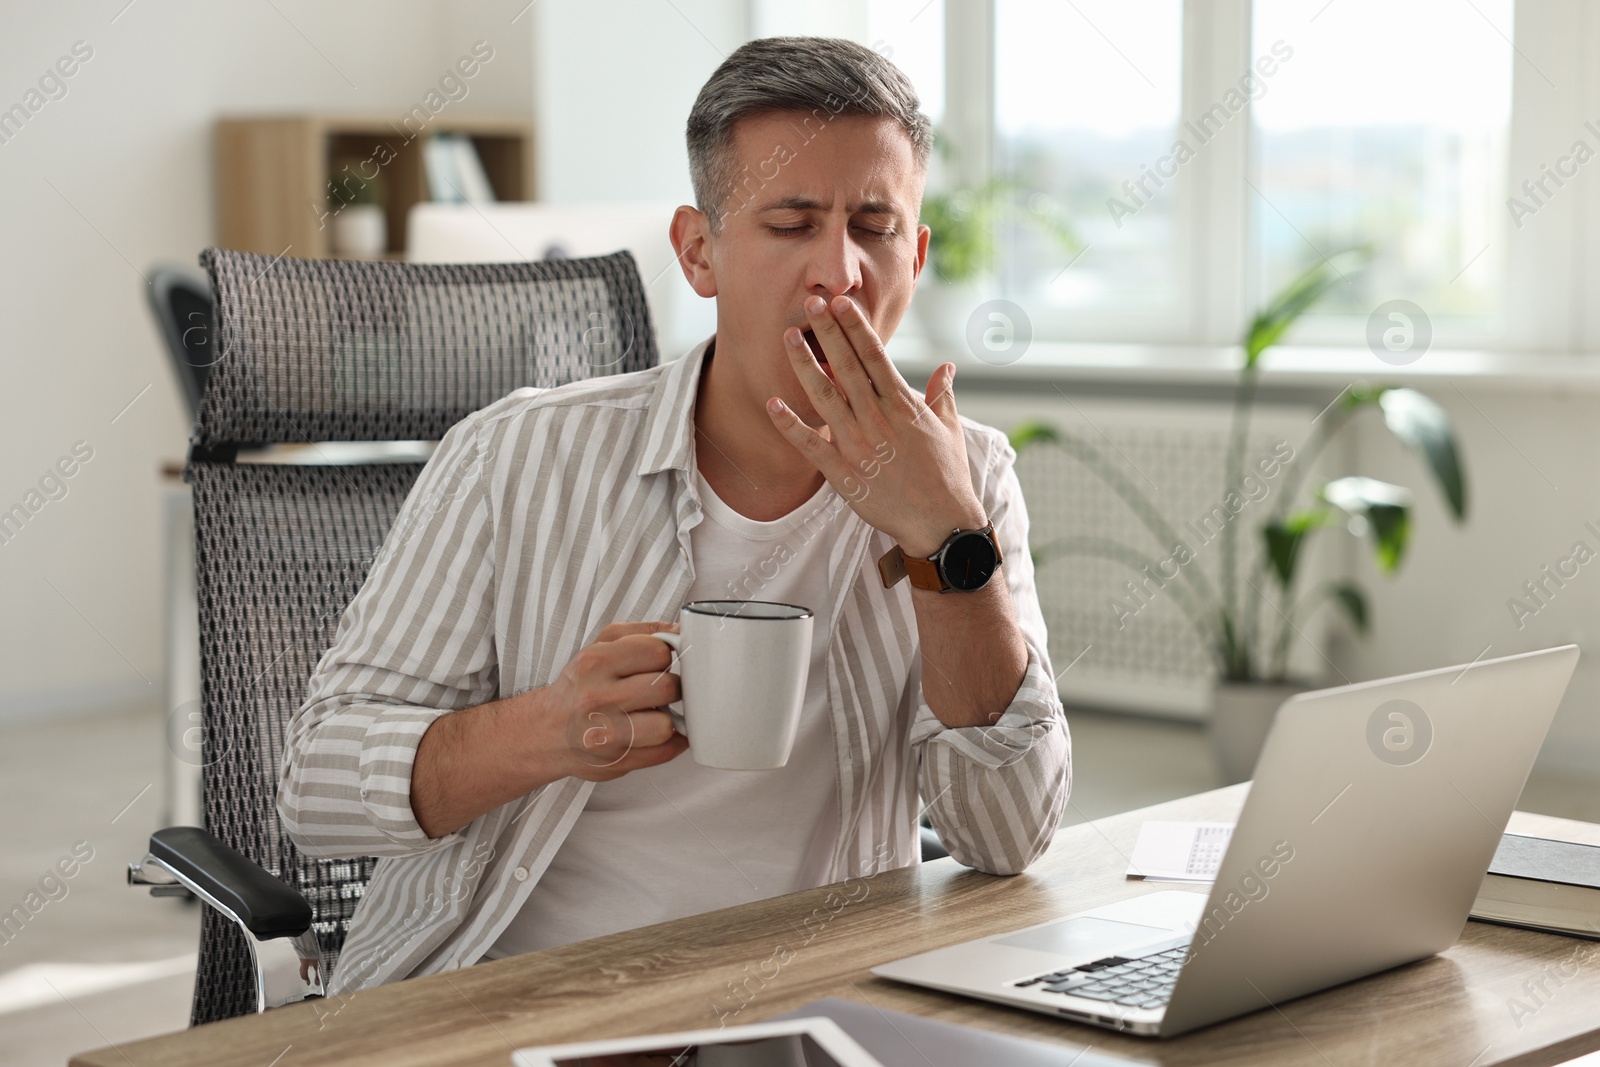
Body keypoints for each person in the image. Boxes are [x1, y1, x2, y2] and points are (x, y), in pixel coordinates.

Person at [278, 35, 1071, 996]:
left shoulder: (969, 477)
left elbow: (1008, 835)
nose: (841, 271)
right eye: (791, 222)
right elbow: (315, 785)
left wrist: (947, 542)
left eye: (873, 225)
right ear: (700, 251)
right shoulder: (513, 457)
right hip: (523, 1003)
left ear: (917, 250)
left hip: (808, 1007)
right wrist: (552, 727)